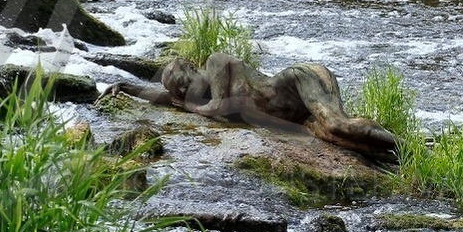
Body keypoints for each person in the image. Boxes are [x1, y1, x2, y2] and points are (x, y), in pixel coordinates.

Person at [101, 53, 397, 156]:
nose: (184, 90)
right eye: (179, 89)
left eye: (183, 81)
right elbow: (167, 98)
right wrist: (127, 87)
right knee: (340, 138)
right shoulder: (195, 97)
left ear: (193, 67)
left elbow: (224, 105)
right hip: (298, 115)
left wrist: (190, 106)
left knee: (336, 124)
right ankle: (398, 153)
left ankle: (407, 146)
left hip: (298, 82)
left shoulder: (216, 62)